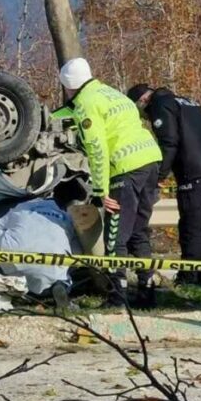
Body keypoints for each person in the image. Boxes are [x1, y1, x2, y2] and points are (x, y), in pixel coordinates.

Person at [59, 58, 162, 307]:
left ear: (68, 85)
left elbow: (97, 149)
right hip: (150, 161)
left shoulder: (85, 104)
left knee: (116, 238)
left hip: (125, 169)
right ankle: (147, 292)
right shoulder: (112, 94)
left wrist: (99, 191)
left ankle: (118, 297)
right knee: (138, 231)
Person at [128, 84, 201, 287]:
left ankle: (189, 278)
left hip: (193, 171)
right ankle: (198, 275)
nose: (145, 118)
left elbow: (169, 142)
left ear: (142, 101)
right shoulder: (190, 102)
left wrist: (160, 174)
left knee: (191, 226)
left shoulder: (160, 105)